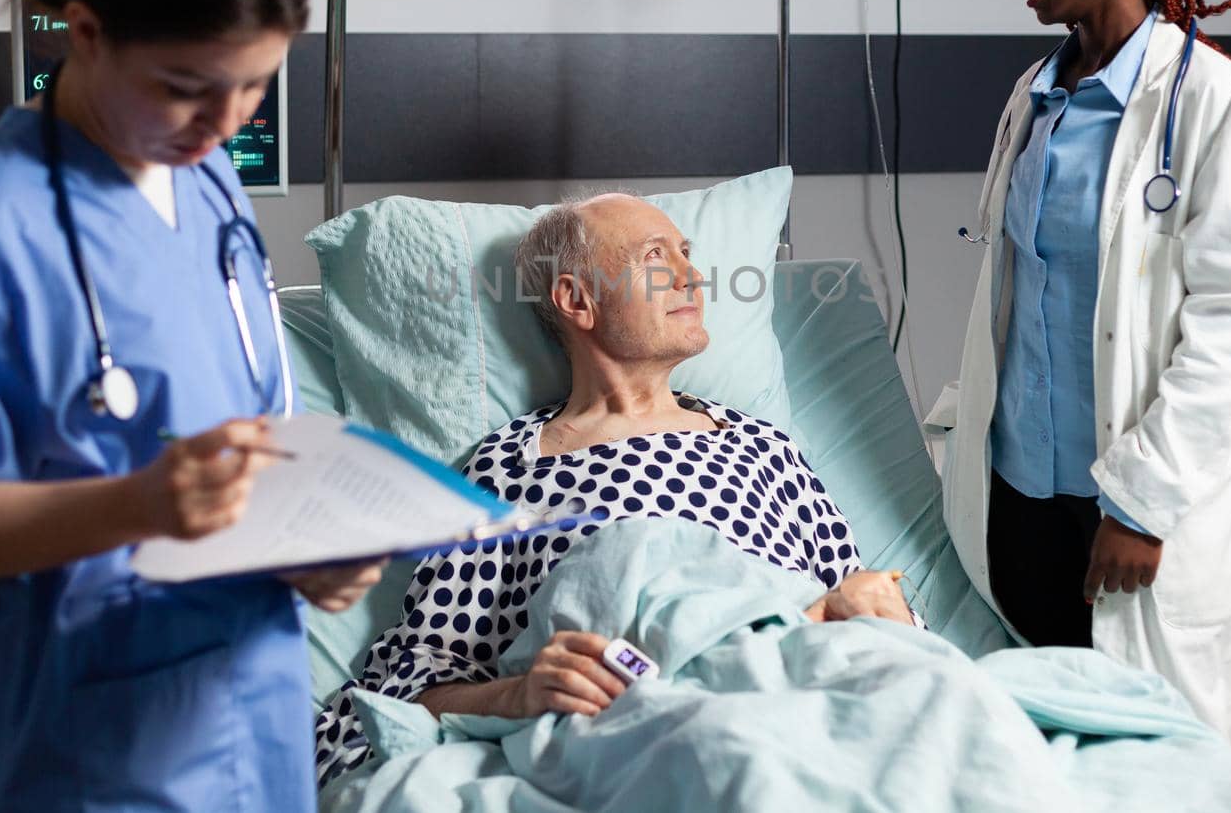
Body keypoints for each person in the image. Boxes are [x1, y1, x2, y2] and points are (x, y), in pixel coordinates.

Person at [0, 0, 381, 811]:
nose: (223, 123)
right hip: (74, 745)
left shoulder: (208, 179)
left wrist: (311, 548)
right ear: (85, 30)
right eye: (187, 86)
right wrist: (141, 502)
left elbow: (244, 435)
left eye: (255, 86)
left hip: (250, 717)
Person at [313, 192, 915, 787]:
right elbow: (418, 680)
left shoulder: (764, 446)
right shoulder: (511, 468)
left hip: (794, 696)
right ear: (576, 300)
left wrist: (881, 611)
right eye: (657, 257)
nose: (692, 277)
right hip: (636, 726)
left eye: (686, 252)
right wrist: (518, 695)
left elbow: (866, 609)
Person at [926, 0, 1231, 760]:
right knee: (1045, 759)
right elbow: (1018, 304)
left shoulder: (1214, 104)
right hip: (1021, 503)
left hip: (1129, 516)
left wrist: (1140, 503)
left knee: (1156, 766)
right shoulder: (1032, 100)